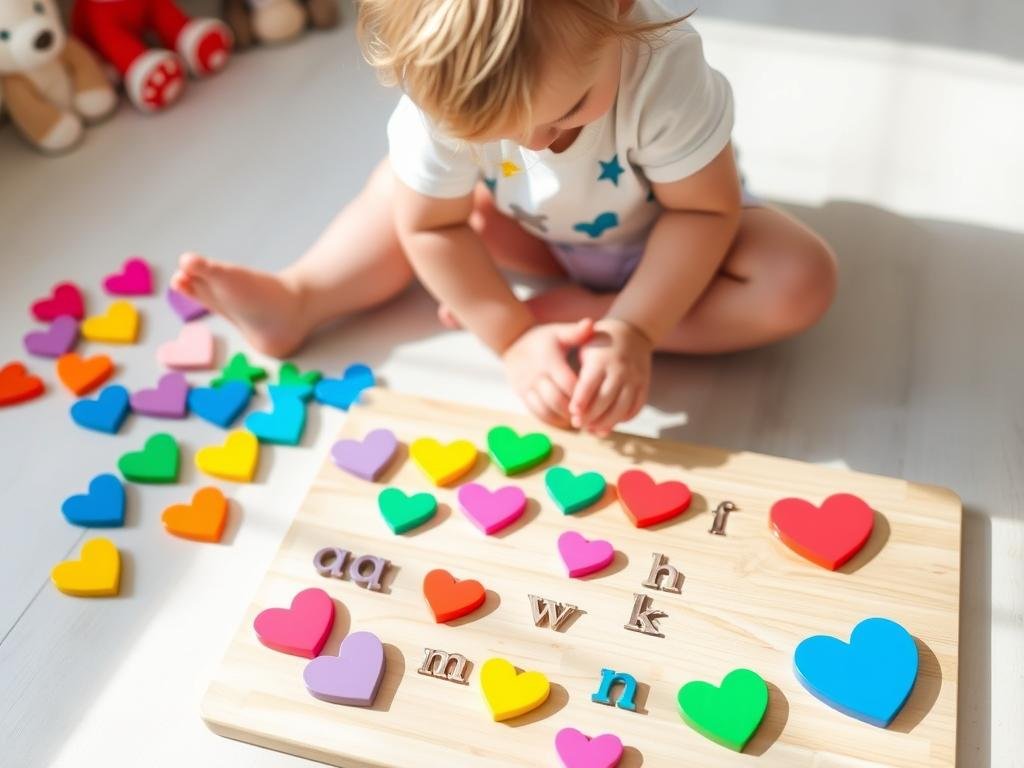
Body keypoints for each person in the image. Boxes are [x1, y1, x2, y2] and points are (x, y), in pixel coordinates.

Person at [171, 0, 837, 436]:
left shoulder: (661, 63)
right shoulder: (441, 90)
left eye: (569, 112)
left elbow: (704, 210)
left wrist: (634, 328)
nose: (541, 143)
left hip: (671, 234)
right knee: (401, 193)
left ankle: (588, 310)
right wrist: (512, 339)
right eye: (505, 132)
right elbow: (433, 228)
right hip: (529, 229)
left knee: (799, 278)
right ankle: (302, 295)